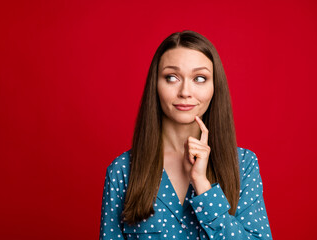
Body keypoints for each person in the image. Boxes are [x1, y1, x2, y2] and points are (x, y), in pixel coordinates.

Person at [99, 30, 272, 239]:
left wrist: (203, 185)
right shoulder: (122, 171)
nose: (185, 92)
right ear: (155, 85)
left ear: (214, 87)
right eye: (171, 77)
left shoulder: (243, 164)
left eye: (199, 78)